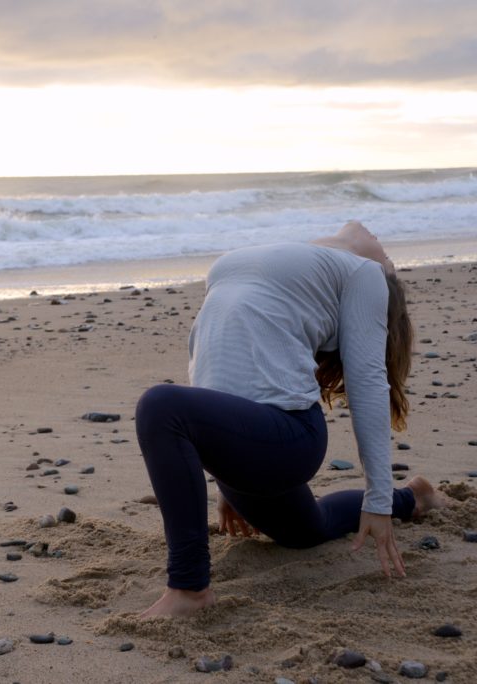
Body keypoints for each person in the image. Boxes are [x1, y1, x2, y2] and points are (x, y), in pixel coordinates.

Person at [135, 220, 448, 618]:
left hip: (288, 439)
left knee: (159, 406)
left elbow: (368, 383)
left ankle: (190, 589)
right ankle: (416, 497)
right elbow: (213, 354)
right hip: (247, 442)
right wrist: (224, 480)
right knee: (306, 531)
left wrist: (378, 500)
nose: (383, 250)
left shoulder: (365, 275)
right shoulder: (245, 264)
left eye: (388, 262)